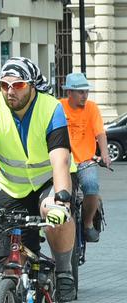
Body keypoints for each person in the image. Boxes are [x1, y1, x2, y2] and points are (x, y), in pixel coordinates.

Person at [0, 57, 77, 302]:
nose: (10, 91)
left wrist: (62, 201)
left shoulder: (50, 107)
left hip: (50, 181)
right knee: (9, 260)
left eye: (18, 85)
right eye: (4, 85)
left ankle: (64, 270)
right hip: (12, 187)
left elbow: (60, 161)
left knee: (52, 209)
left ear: (32, 86)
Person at [59, 72, 110, 242]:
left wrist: (104, 154)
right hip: (64, 162)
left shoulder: (92, 108)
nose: (85, 95)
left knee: (91, 185)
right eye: (80, 92)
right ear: (69, 93)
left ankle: (88, 224)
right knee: (64, 196)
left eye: (86, 91)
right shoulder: (59, 107)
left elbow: (100, 133)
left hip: (86, 161)